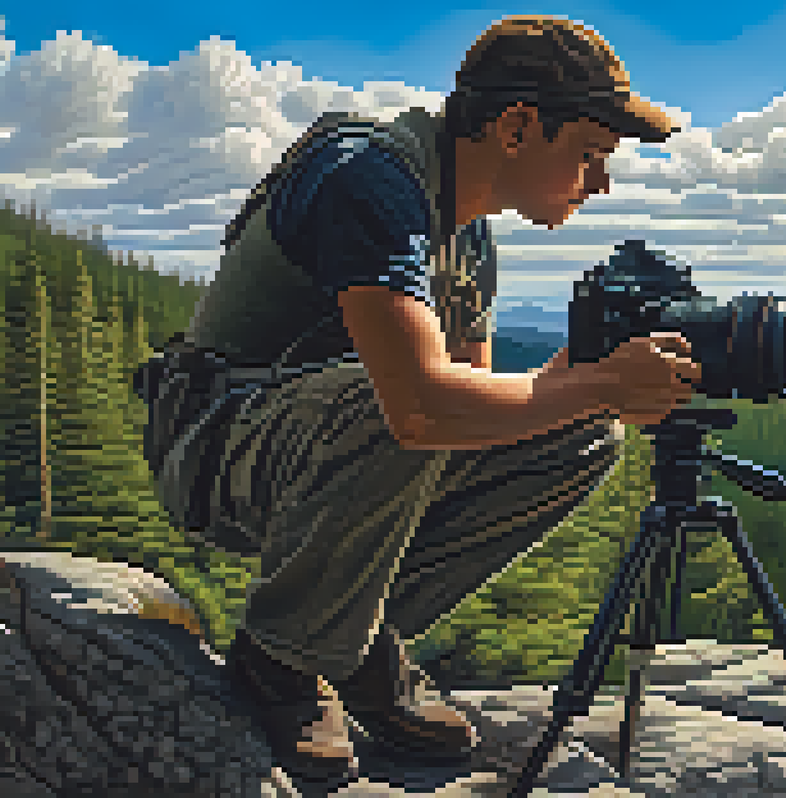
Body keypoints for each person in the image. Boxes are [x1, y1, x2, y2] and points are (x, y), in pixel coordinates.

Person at [133, 15, 700, 789]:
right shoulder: (367, 175)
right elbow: (420, 409)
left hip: (316, 453)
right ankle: (283, 659)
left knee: (585, 432)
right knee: (403, 393)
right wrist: (595, 383)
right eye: (592, 155)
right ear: (517, 125)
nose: (602, 181)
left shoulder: (466, 239)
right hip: (217, 450)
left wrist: (580, 387)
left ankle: (354, 636)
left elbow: (468, 416)